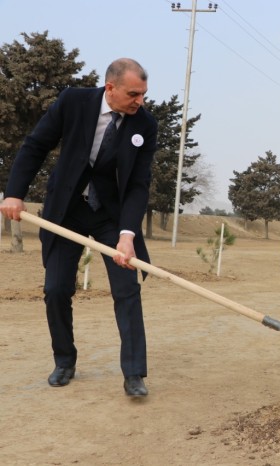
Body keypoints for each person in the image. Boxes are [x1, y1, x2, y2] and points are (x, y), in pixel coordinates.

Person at [0, 58, 157, 397]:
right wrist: (14, 193)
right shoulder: (73, 101)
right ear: (110, 87)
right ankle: (64, 360)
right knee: (56, 289)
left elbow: (138, 185)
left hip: (112, 217)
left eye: (143, 94)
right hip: (66, 211)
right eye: (134, 94)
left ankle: (134, 374)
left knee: (126, 290)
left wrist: (127, 235)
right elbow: (35, 146)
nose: (140, 101)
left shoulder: (144, 124)